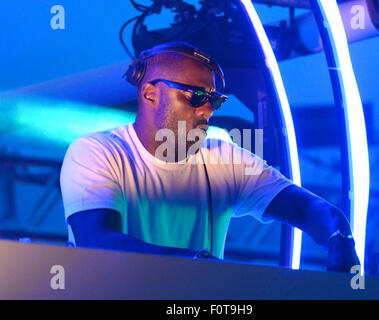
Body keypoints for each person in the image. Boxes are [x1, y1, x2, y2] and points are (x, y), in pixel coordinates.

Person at [60, 42, 360, 272]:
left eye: (214, 99)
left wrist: (338, 236)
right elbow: (99, 243)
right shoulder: (96, 152)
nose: (208, 110)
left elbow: (304, 208)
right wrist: (197, 263)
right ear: (150, 93)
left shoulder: (225, 159)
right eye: (196, 96)